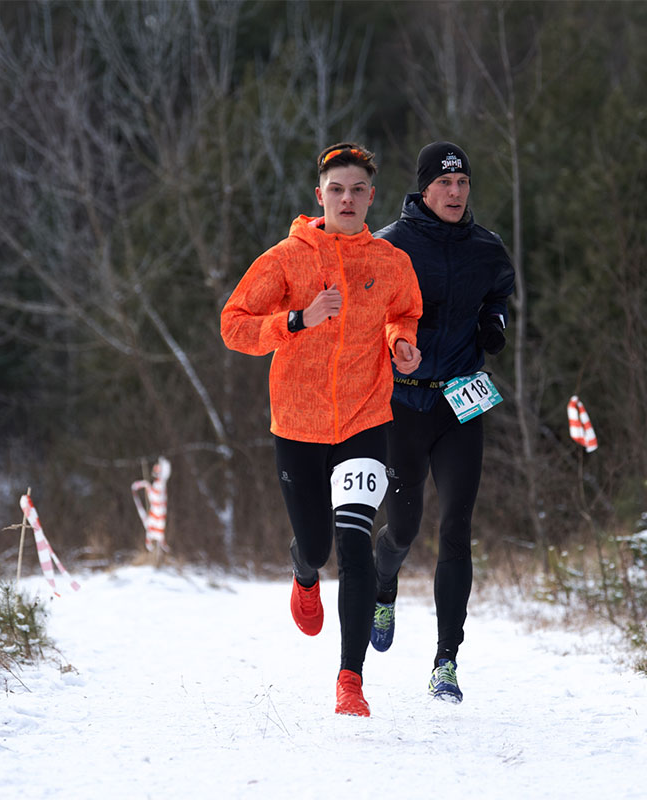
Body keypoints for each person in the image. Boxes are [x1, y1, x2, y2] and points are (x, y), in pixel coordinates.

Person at [220, 143, 422, 717]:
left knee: (356, 545)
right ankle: (303, 570)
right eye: (337, 189)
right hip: (299, 424)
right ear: (319, 197)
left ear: (372, 197)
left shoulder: (389, 261)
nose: (348, 199)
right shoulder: (285, 258)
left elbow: (404, 311)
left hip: (364, 421)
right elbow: (233, 325)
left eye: (359, 189)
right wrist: (296, 320)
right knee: (318, 544)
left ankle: (350, 680)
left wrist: (401, 344)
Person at [370, 141, 515, 703]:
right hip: (403, 402)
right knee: (403, 526)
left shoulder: (487, 247)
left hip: (461, 400)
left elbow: (497, 294)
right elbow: (369, 314)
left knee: (457, 525)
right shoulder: (390, 245)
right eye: (446, 184)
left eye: (464, 183)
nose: (456, 193)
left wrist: (493, 324)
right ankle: (385, 583)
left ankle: (446, 662)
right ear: (425, 188)